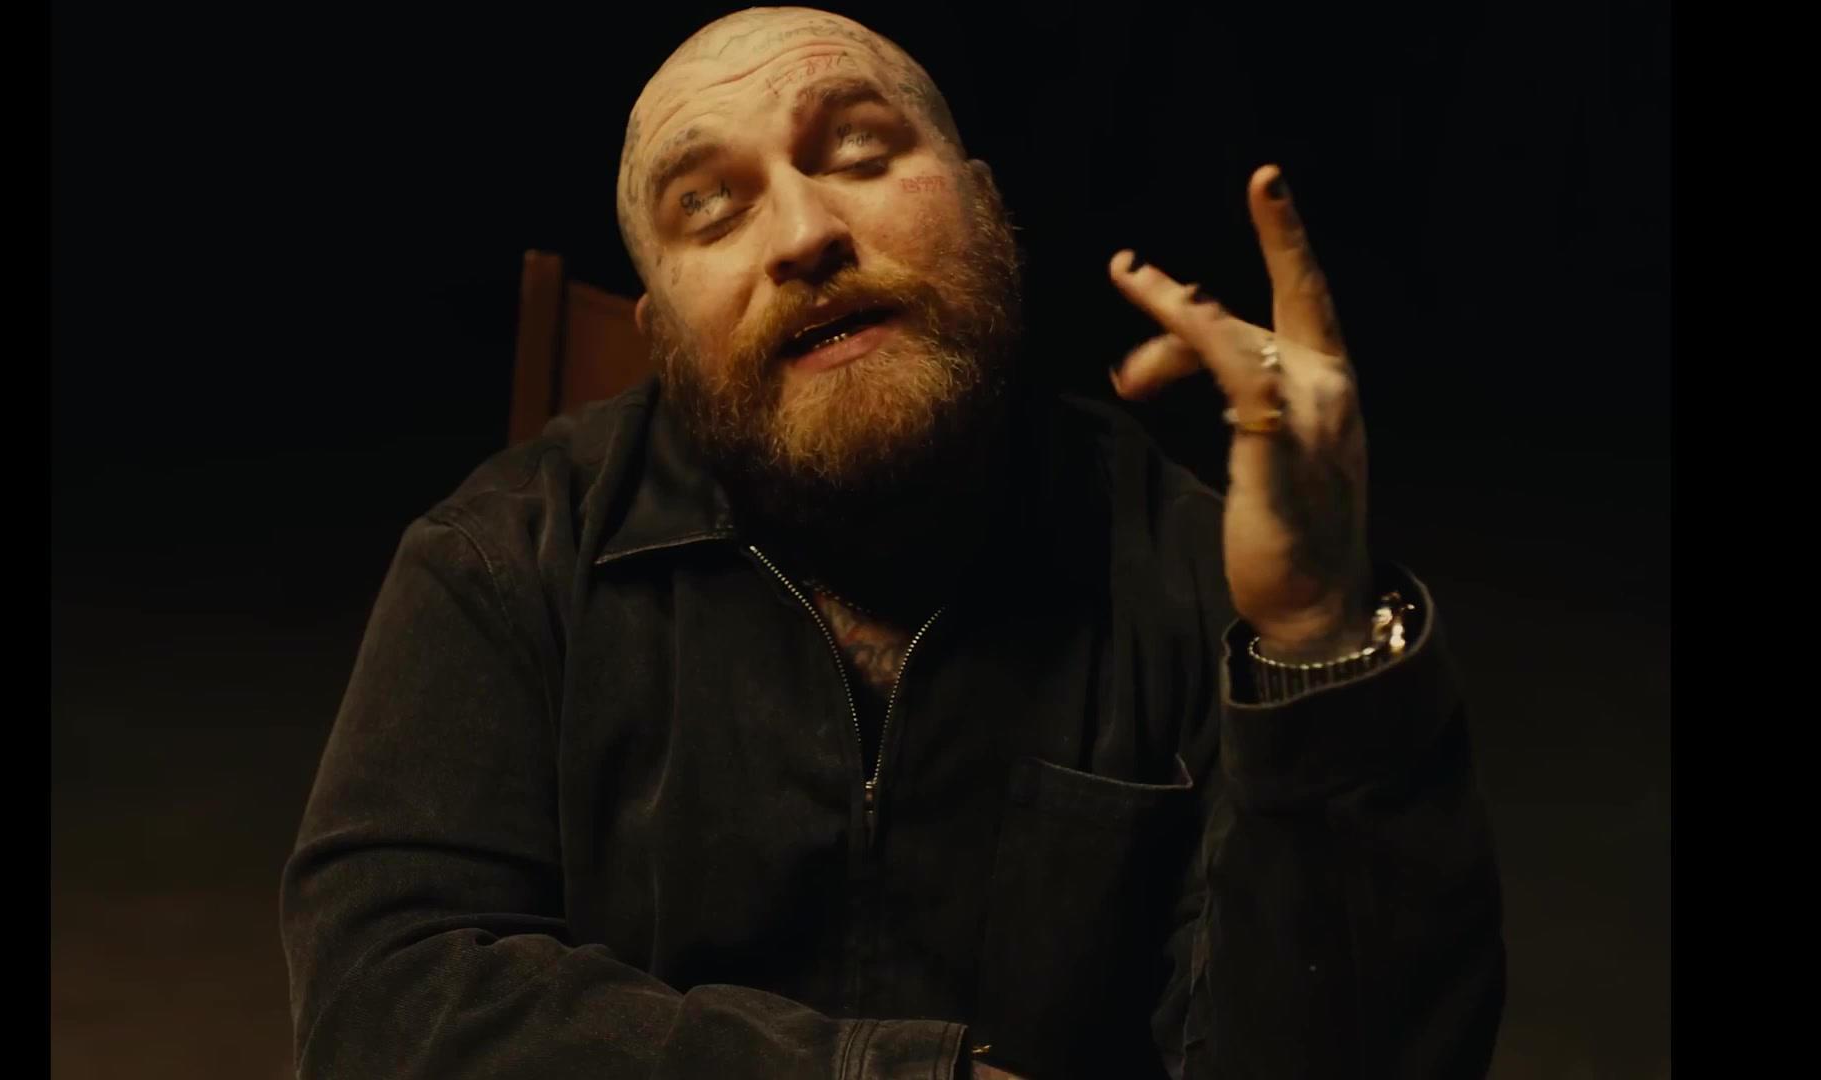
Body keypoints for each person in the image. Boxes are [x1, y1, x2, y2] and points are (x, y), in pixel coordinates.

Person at [280, 7, 1506, 1078]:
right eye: (709, 207)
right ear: (662, 337)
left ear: (986, 208)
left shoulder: (1189, 572)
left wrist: (1317, 638)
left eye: (861, 153)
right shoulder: (503, 563)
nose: (804, 231)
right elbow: (385, 1001)